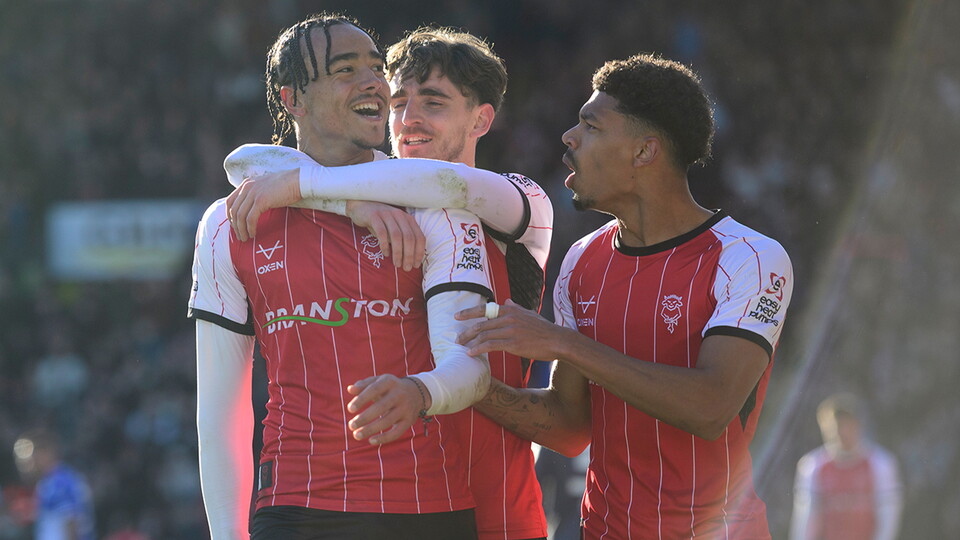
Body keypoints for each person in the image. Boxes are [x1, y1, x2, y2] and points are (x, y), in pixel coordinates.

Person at [222, 27, 552, 540]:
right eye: (398, 102)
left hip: (500, 505)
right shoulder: (378, 204)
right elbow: (247, 161)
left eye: (434, 102)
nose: (408, 118)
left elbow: (448, 186)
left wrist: (311, 187)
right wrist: (350, 202)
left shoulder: (521, 201)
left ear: (481, 119)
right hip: (405, 499)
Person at [456, 52, 794, 539]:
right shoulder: (581, 261)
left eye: (590, 126)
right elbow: (571, 427)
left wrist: (563, 343)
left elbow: (709, 408)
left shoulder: (751, 259)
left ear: (644, 151)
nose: (569, 139)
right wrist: (463, 384)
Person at [790, 393, 903, 540]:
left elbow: (888, 517)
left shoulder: (881, 463)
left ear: (858, 425)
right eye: (835, 428)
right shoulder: (812, 466)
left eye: (847, 425)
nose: (841, 433)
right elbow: (806, 519)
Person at [13, 429, 95, 540]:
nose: (28, 462)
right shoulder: (49, 482)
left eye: (31, 455)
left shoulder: (60, 483)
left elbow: (71, 523)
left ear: (46, 452)